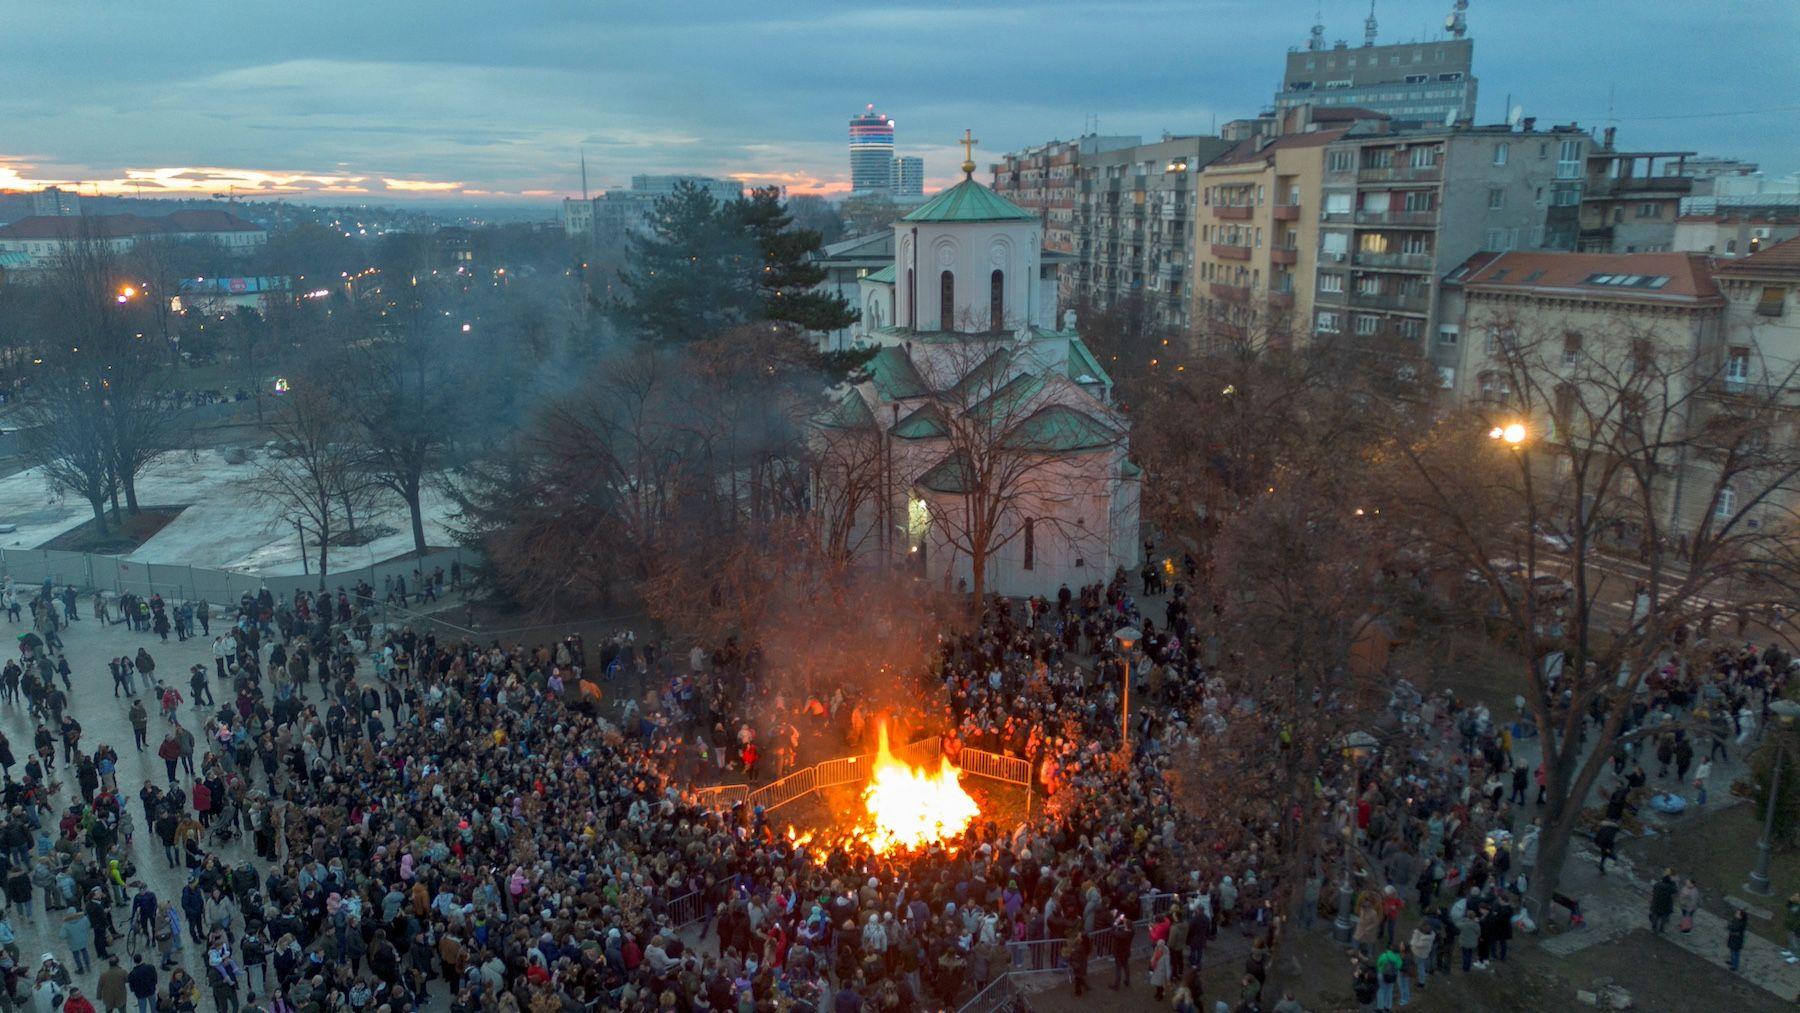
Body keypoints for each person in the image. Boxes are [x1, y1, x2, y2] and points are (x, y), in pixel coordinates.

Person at [1650, 870, 1677, 934]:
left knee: (1655, 916)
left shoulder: (1657, 884)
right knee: (1664, 918)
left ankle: (1654, 928)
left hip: (1656, 903)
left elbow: (1653, 891)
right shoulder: (1670, 887)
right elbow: (1675, 891)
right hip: (1666, 906)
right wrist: (1673, 884)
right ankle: (1661, 929)